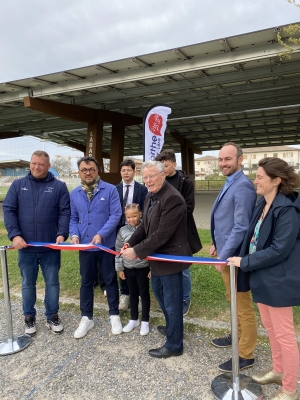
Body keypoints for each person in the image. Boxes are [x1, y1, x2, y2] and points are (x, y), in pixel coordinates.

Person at [228, 157, 300, 400]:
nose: (255, 180)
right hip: (263, 277)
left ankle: (289, 389)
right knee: (271, 329)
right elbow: (253, 238)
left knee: (284, 335)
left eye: (259, 176)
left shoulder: (287, 209)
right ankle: (278, 371)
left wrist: (245, 262)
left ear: (276, 180)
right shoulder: (263, 203)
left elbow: (281, 248)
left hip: (279, 281)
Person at [121, 160, 192, 358]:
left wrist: (136, 251)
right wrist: (130, 242)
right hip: (158, 258)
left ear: (163, 175)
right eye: (145, 177)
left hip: (170, 258)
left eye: (152, 176)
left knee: (171, 302)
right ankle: (173, 329)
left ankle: (174, 344)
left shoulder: (173, 198)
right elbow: (144, 226)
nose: (148, 180)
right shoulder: (151, 195)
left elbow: (162, 234)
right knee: (161, 296)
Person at [3, 150, 70, 336]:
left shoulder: (59, 187)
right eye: (34, 163)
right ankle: (29, 317)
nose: (36, 167)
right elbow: (8, 209)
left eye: (41, 164)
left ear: (48, 166)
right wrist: (15, 235)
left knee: (52, 283)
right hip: (25, 247)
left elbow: (65, 212)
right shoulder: (18, 185)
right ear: (30, 164)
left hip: (50, 247)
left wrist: (62, 234)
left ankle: (52, 315)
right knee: (27, 284)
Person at [210, 142, 257, 372]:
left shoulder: (243, 186)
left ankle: (246, 354)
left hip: (236, 258)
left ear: (240, 160)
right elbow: (226, 222)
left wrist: (224, 255)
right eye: (220, 159)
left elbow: (241, 227)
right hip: (227, 254)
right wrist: (217, 245)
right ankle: (235, 336)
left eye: (227, 159)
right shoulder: (232, 182)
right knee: (233, 300)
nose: (223, 164)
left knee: (242, 305)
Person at [70, 156, 122, 338]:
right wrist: (74, 234)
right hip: (84, 246)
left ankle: (114, 314)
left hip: (105, 245)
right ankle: (86, 317)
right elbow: (73, 218)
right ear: (79, 172)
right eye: (84, 170)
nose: (88, 172)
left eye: (91, 169)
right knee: (86, 281)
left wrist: (101, 234)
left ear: (97, 170)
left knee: (110, 279)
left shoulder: (110, 190)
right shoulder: (75, 193)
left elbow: (116, 215)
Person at [155, 149, 202, 316]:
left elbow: (188, 208)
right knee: (165, 266)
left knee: (183, 268)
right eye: (160, 166)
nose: (163, 169)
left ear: (174, 164)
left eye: (165, 166)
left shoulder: (185, 183)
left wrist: (168, 218)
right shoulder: (158, 181)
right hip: (162, 232)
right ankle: (169, 298)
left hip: (182, 232)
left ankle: (184, 299)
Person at [115, 159, 148, 311]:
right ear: (120, 172)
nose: (126, 173)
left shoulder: (142, 189)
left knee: (137, 259)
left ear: (134, 171)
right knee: (123, 259)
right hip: (121, 229)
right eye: (123, 170)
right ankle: (125, 293)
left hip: (138, 229)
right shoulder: (115, 189)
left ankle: (141, 295)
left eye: (129, 170)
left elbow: (146, 210)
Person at [115, 203, 151, 336]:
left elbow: (152, 249)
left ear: (140, 214)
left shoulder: (146, 229)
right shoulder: (122, 231)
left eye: (134, 216)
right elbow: (118, 250)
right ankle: (134, 319)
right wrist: (120, 268)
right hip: (128, 268)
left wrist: (152, 268)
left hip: (143, 268)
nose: (132, 219)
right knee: (132, 294)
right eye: (128, 217)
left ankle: (145, 321)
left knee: (144, 294)